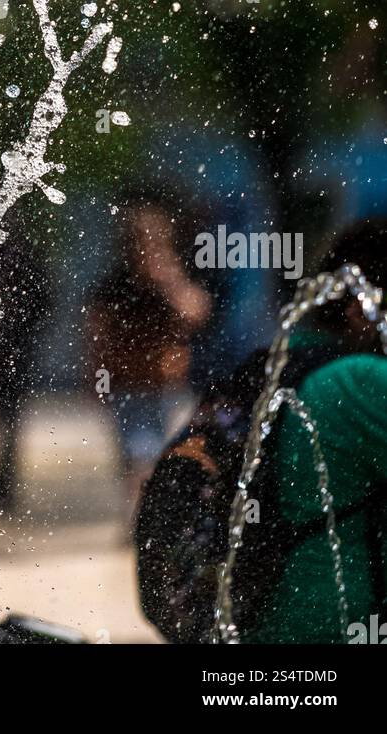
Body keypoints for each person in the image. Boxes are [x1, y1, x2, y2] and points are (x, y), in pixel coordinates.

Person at [242, 219, 387, 643]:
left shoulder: (283, 362)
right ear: (360, 309)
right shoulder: (363, 380)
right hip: (336, 629)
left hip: (263, 623)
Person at [88, 192, 211, 501]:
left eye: (156, 244)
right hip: (128, 386)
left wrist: (169, 281)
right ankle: (141, 518)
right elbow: (96, 333)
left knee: (163, 456)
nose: (148, 251)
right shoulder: (116, 285)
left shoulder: (173, 284)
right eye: (142, 244)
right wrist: (95, 379)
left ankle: (146, 516)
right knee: (139, 454)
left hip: (168, 389)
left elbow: (197, 312)